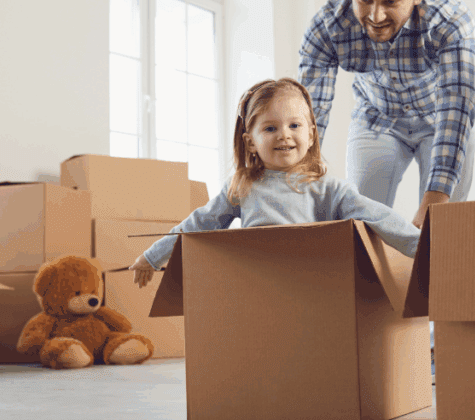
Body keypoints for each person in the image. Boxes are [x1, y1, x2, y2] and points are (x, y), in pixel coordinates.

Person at [129, 78, 422, 287]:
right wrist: (152, 257)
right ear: (251, 142)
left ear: (310, 135)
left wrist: (423, 249)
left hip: (312, 287)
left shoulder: (330, 190)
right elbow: (199, 222)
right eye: (270, 128)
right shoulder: (242, 187)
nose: (284, 134)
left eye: (294, 125)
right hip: (257, 287)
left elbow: (378, 216)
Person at [298, 0, 475, 229]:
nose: (375, 16)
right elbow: (309, 115)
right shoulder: (327, 26)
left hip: (441, 119)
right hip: (376, 117)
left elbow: (456, 105)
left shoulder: (450, 21)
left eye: (390, 3)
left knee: (444, 227)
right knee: (361, 222)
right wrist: (295, 183)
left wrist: (435, 197)